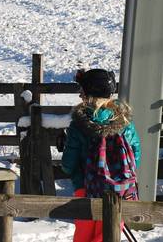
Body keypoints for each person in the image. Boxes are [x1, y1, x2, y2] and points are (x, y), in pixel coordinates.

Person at [61, 68, 141, 242]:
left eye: (81, 91)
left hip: (86, 189)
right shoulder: (125, 123)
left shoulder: (79, 125)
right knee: (107, 236)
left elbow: (68, 163)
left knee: (84, 236)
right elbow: (136, 156)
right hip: (120, 191)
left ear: (87, 94)